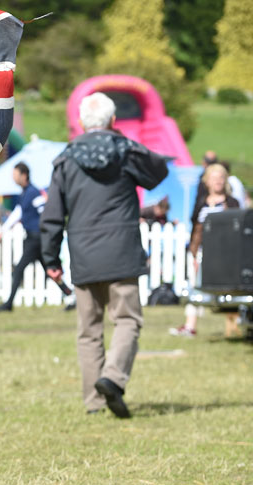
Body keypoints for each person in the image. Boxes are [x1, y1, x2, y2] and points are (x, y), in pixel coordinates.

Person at [41, 92, 168, 418]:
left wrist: (51, 260)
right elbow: (158, 171)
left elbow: (53, 214)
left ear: (82, 123)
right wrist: (123, 140)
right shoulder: (125, 152)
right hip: (122, 252)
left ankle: (94, 402)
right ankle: (112, 378)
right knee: (127, 320)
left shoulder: (65, 159)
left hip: (83, 253)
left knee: (89, 330)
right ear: (113, 122)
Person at [169, 163, 240, 337]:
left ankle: (233, 326)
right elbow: (195, 228)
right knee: (195, 287)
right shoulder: (201, 203)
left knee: (231, 289)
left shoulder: (232, 203)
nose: (218, 182)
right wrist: (194, 252)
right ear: (207, 181)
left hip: (225, 253)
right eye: (214, 178)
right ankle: (190, 325)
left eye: (221, 178)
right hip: (202, 252)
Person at [0, 162, 47, 312]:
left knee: (19, 269)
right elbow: (18, 212)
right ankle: (69, 295)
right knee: (50, 268)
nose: (14, 179)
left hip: (36, 237)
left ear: (24, 175)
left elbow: (43, 210)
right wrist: (5, 229)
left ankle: (8, 304)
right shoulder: (25, 193)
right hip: (32, 237)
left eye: (15, 175)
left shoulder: (33, 192)